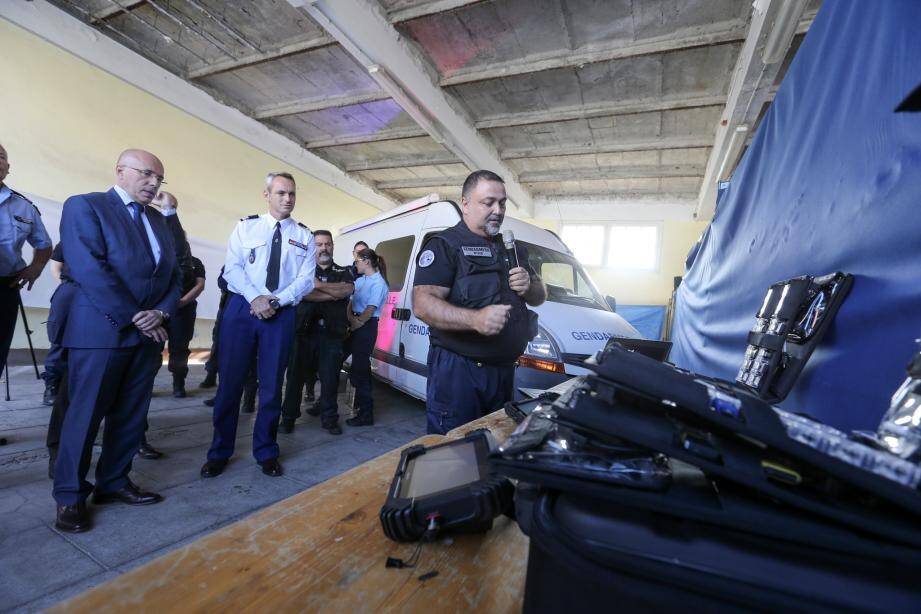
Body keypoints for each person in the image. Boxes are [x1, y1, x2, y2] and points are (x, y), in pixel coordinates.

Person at [51, 149, 181, 533]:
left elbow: (175, 275)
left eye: (159, 178)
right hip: (102, 334)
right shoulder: (86, 206)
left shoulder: (159, 220)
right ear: (120, 171)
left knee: (130, 415)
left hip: (148, 335)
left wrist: (162, 312)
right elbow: (90, 267)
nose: (154, 183)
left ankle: (113, 482)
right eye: (146, 174)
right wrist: (134, 316)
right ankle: (70, 496)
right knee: (84, 415)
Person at [412, 170, 546, 435]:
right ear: (465, 203)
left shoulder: (514, 249)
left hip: (504, 372)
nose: (498, 210)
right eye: (488, 202)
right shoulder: (445, 245)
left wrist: (530, 287)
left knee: (493, 446)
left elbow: (540, 296)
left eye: (503, 202)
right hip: (459, 373)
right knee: (453, 453)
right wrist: (474, 319)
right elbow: (423, 303)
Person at [201, 172, 315, 480]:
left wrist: (275, 302)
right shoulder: (246, 226)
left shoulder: (305, 236)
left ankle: (266, 451)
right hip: (242, 308)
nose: (287, 198)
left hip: (281, 313)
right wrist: (256, 298)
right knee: (230, 384)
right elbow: (233, 269)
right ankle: (219, 452)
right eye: (280, 193)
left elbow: (305, 280)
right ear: (266, 195)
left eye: (291, 193)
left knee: (270, 386)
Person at [280, 230, 354, 435]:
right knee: (295, 378)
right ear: (313, 247)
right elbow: (303, 292)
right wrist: (332, 294)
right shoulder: (302, 270)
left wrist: (319, 286)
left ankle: (329, 419)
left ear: (332, 246)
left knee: (330, 379)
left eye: (327, 244)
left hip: (332, 335)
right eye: (319, 244)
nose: (324, 248)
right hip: (303, 333)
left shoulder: (344, 271)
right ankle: (288, 418)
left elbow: (346, 290)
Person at [0, 143, 52, 377]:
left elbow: (43, 244)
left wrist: (36, 267)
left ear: (8, 167)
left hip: (5, 288)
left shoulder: (23, 206)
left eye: (0, 157)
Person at [201, 266, 258, 412]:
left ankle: (249, 400)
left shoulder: (260, 260)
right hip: (228, 310)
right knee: (225, 357)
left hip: (252, 312)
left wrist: (239, 284)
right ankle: (222, 396)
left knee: (251, 359)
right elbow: (222, 281)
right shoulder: (233, 261)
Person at [344, 247, 389, 427]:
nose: (355, 264)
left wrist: (357, 322)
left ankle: (366, 413)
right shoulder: (361, 280)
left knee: (360, 369)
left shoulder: (379, 283)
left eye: (357, 261)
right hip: (354, 323)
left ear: (366, 261)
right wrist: (350, 318)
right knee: (338, 361)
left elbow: (370, 309)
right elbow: (350, 301)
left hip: (366, 326)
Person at [42, 244, 67, 406]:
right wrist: (68, 287)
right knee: (60, 341)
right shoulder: (70, 236)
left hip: (106, 297)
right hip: (71, 294)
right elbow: (55, 267)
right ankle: (52, 385)